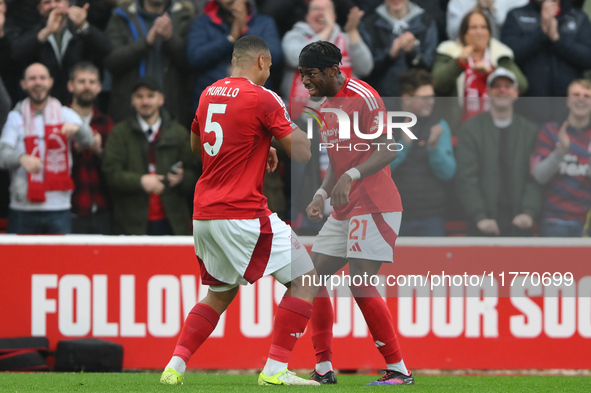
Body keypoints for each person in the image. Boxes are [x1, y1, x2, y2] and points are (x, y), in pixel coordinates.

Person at [159, 35, 319, 386]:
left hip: (205, 215)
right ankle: (276, 370)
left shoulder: (208, 93)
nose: (269, 72)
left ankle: (175, 366)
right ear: (261, 62)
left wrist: (260, 146)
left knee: (219, 293)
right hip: (242, 212)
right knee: (306, 279)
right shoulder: (263, 97)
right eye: (271, 67)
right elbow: (304, 153)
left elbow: (197, 145)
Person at [301, 41, 413, 385]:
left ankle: (399, 369)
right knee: (310, 278)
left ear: (334, 70)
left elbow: (389, 148)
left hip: (376, 203)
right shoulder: (322, 105)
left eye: (312, 74)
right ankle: (322, 368)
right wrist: (321, 193)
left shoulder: (363, 96)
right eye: (303, 75)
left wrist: (351, 176)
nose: (306, 82)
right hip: (345, 207)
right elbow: (338, 161)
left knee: (360, 283)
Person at [0, 63, 93, 234]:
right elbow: (2, 155)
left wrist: (78, 130)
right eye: (32, 78)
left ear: (50, 82)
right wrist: (21, 158)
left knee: (61, 261)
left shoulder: (65, 113)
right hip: (22, 208)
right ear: (23, 84)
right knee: (20, 261)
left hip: (59, 207)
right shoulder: (15, 117)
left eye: (42, 78)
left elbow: (89, 140)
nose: (38, 83)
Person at [102, 77, 198, 235]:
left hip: (173, 223)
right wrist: (140, 181)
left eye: (150, 96)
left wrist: (183, 178)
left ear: (161, 99)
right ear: (132, 100)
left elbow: (197, 173)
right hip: (131, 224)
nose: (145, 101)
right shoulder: (119, 133)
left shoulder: (179, 133)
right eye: (139, 96)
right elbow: (110, 173)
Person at [455, 68, 541, 236]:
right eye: (496, 86)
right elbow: (466, 178)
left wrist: (529, 212)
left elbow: (535, 177)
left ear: (516, 93)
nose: (502, 90)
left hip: (520, 223)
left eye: (507, 86)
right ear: (488, 93)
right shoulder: (470, 130)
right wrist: (479, 216)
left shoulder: (530, 131)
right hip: (481, 224)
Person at [104, 0, 194, 124]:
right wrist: (146, 42)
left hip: (173, 113)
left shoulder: (185, 17)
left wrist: (170, 39)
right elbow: (111, 62)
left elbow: (192, 63)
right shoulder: (121, 15)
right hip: (128, 112)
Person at [390, 69, 456, 236]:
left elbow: (448, 173)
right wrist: (403, 144)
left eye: (432, 97)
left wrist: (434, 149)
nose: (431, 102)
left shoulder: (439, 125)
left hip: (431, 216)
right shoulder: (384, 124)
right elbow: (376, 171)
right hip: (392, 216)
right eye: (425, 98)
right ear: (406, 98)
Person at [281, 0, 373, 118]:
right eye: (316, 9)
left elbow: (365, 68)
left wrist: (352, 31)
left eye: (326, 9)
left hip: (344, 118)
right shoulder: (295, 36)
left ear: (334, 16)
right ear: (307, 16)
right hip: (297, 119)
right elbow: (296, 59)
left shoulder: (346, 39)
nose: (321, 13)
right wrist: (328, 29)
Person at [186, 0, 282, 112]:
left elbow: (275, 57)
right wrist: (230, 38)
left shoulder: (264, 23)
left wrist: (244, 31)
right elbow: (194, 58)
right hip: (213, 108)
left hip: (255, 107)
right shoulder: (202, 24)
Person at [11, 0, 111, 105]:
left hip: (77, 102)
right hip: (42, 103)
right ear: (39, 9)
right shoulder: (34, 32)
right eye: (47, 2)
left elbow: (105, 49)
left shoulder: (78, 31)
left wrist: (83, 26)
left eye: (58, 1)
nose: (53, 5)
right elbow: (17, 54)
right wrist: (47, 31)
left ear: (67, 5)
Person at [433, 9, 527, 121]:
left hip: (493, 126)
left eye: (484, 27)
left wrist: (493, 73)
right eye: (474, 27)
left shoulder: (500, 54)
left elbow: (521, 85)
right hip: (459, 126)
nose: (480, 32)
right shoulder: (449, 52)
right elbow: (437, 83)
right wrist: (458, 63)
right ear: (464, 33)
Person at [531, 79, 591, 237]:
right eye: (576, 94)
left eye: (587, 95)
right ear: (567, 100)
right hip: (553, 220)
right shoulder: (550, 131)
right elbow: (539, 176)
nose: (581, 99)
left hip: (586, 222)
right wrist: (561, 151)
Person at [501, 0, 591, 98]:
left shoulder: (578, 17)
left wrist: (558, 39)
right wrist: (541, 31)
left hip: (570, 102)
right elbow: (508, 57)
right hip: (529, 100)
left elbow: (588, 59)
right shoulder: (516, 15)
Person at [67, 61, 114, 234]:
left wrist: (99, 152)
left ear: (99, 87)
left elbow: (116, 166)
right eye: (81, 81)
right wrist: (75, 150)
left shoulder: (106, 122)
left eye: (92, 82)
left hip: (102, 209)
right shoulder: (59, 118)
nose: (87, 86)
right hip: (70, 209)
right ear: (70, 86)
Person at [361, 0, 438, 97]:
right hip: (381, 96)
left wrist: (412, 52)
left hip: (415, 99)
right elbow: (365, 70)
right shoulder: (369, 23)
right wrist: (390, 55)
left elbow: (429, 65)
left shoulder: (426, 21)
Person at [446, 0, 528, 41]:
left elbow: (520, 33)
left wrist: (493, 9)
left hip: (504, 54)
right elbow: (453, 35)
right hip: (467, 53)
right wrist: (477, 9)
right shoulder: (459, 2)